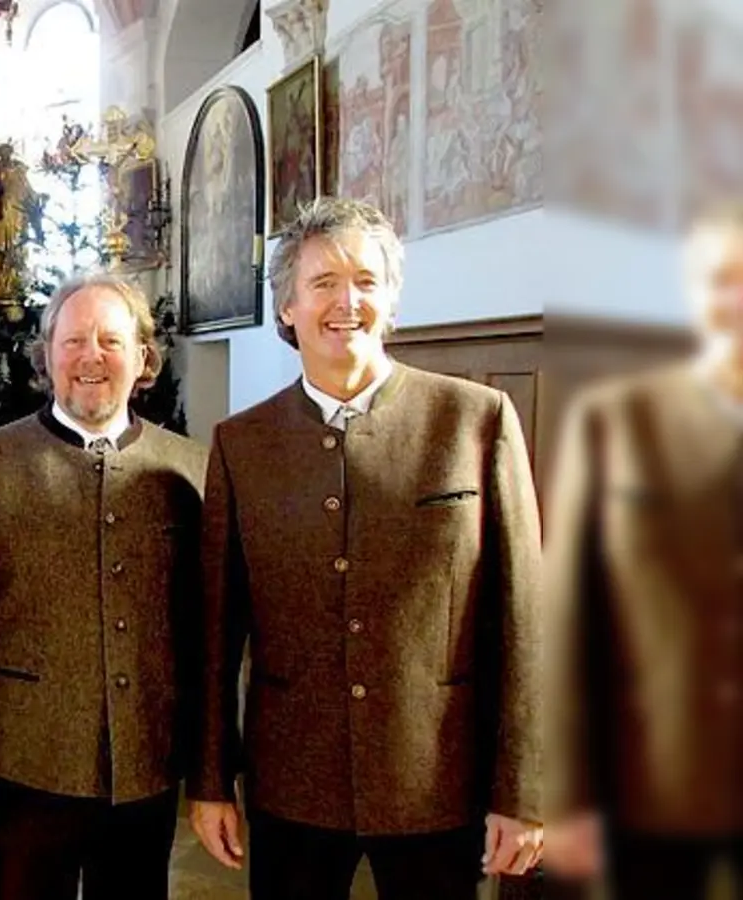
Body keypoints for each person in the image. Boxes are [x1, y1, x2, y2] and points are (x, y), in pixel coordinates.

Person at [189, 196, 544, 899]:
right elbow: (216, 631)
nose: (345, 301)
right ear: (287, 307)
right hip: (293, 784)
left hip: (436, 781)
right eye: (322, 283)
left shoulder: (474, 421)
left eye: (366, 282)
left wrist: (524, 787)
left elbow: (522, 620)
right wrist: (209, 782)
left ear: (392, 301)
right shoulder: (242, 444)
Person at [0, 272, 207, 900]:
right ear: (46, 356)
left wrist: (210, 773)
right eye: (73, 340)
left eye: (111, 340)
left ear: (142, 358)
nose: (91, 357)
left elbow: (204, 633)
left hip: (145, 765)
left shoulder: (191, 467)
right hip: (23, 766)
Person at [545, 201, 743, 897]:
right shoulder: (618, 421)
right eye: (723, 278)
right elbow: (570, 618)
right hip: (655, 777)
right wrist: (564, 794)